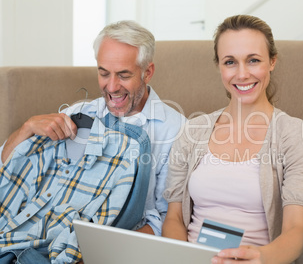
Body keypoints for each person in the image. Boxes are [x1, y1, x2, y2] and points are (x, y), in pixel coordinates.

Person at [0, 20, 184, 263]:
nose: (111, 87)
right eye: (103, 73)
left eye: (124, 75)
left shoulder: (175, 130)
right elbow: (7, 172)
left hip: (101, 245)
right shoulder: (82, 113)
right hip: (36, 230)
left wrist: (97, 252)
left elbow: (166, 220)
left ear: (147, 72)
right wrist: (26, 129)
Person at [162, 15, 303, 264]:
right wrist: (183, 258)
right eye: (230, 62)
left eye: (253, 60)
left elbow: (297, 230)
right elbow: (174, 218)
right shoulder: (193, 131)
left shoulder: (295, 135)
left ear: (272, 61)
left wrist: (260, 259)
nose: (242, 73)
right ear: (219, 66)